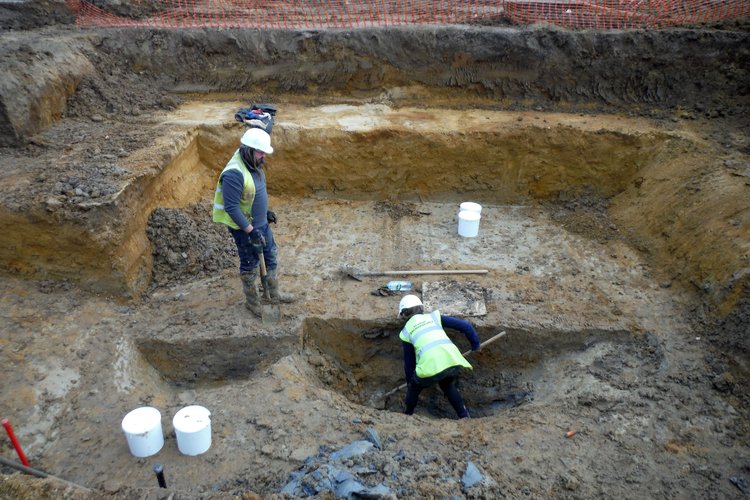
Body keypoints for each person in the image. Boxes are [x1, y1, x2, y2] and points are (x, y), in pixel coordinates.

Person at [212, 127, 295, 317]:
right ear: (249, 150)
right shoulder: (234, 174)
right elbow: (232, 208)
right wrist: (250, 230)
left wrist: (264, 212)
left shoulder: (255, 164)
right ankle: (253, 302)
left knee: (270, 256)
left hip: (260, 225)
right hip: (245, 229)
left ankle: (272, 294)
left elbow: (253, 194)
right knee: (250, 264)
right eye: (260, 152)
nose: (263, 156)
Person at [397, 294, 480, 419]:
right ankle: (464, 415)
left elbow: (409, 364)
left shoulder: (406, 331)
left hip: (430, 367)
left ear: (404, 313)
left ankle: (408, 415)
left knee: (414, 388)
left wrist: (411, 383)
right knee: (447, 385)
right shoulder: (434, 317)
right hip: (452, 361)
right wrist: (475, 344)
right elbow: (466, 326)